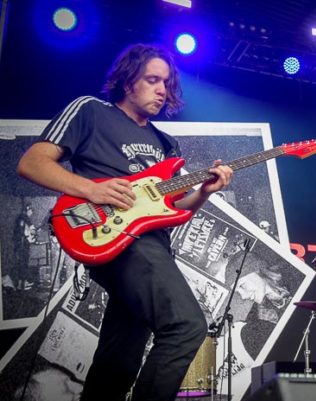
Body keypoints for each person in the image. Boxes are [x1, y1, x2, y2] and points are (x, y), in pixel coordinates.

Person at [16, 43, 233, 401]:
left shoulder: (166, 143)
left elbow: (175, 211)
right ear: (128, 80)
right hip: (112, 236)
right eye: (152, 80)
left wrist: (205, 193)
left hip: (152, 246)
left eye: (166, 83)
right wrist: (92, 189)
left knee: (120, 358)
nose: (162, 90)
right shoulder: (90, 110)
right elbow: (32, 163)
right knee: (186, 325)